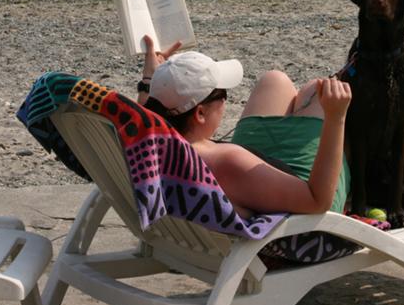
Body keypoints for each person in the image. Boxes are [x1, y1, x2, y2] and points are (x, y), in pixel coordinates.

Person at [137, 35, 351, 219]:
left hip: (262, 185)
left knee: (274, 80)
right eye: (222, 94)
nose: (224, 102)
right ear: (200, 114)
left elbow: (145, 115)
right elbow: (317, 201)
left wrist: (151, 80)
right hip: (306, 213)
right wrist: (336, 117)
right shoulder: (227, 161)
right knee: (315, 91)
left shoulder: (150, 145)